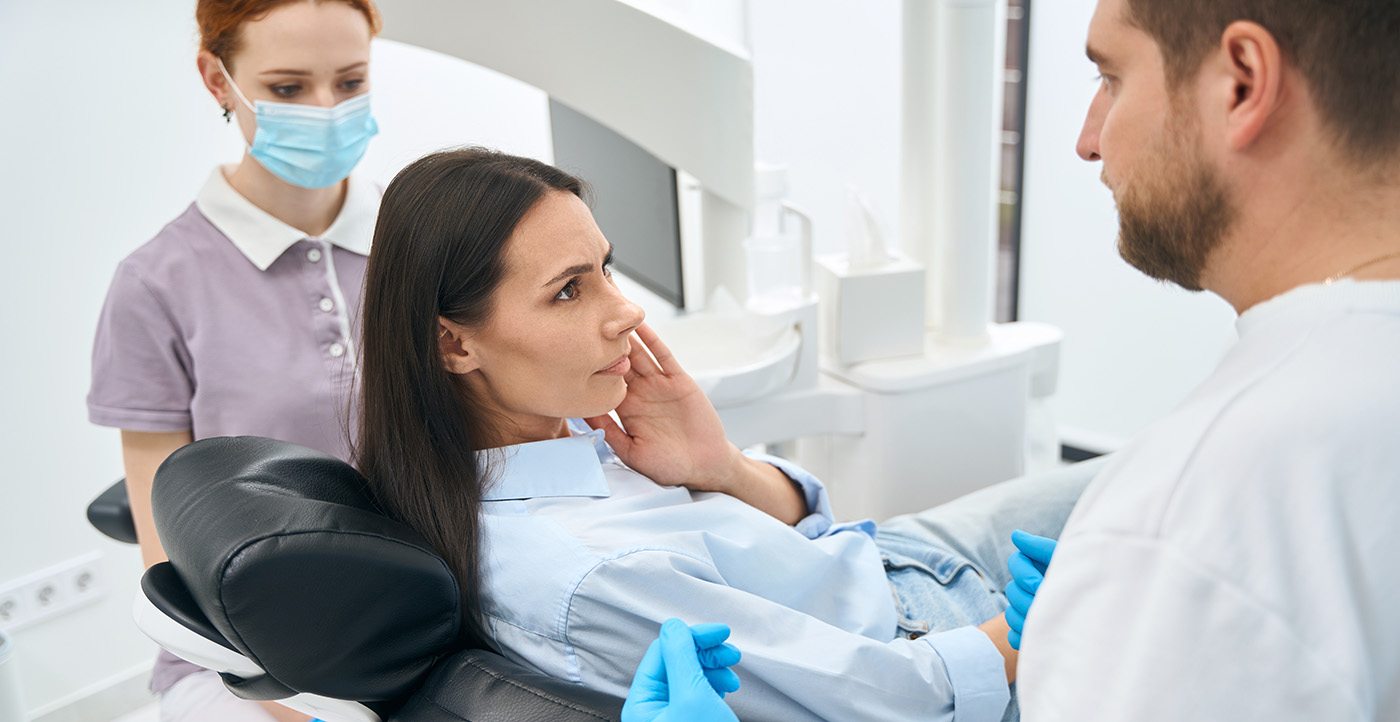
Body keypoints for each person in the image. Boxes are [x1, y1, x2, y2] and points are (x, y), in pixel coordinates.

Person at [354, 146, 1101, 721]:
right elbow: (884, 698)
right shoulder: (584, 575)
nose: (627, 312)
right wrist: (1023, 637)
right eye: (569, 290)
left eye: (606, 269)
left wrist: (721, 469)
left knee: (1158, 472)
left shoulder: (564, 443)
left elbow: (816, 532)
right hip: (944, 639)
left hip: (895, 562)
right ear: (455, 345)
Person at [1010, 0, 1400, 719]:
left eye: (1113, 78)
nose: (1087, 141)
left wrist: (1136, 591)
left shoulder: (1192, 515)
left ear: (1242, 84)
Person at [87, 1, 383, 719]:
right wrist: (282, 694)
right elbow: (167, 542)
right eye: (287, 89)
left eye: (349, 82)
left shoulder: (420, 246)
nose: (326, 109)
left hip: (419, 614)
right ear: (218, 81)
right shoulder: (158, 283)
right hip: (241, 651)